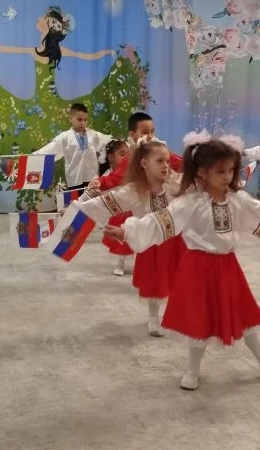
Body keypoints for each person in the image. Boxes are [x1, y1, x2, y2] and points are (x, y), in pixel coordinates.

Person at [105, 134, 260, 391]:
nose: (227, 176)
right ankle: (192, 371)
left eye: (230, 170)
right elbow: (161, 221)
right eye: (220, 171)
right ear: (202, 172)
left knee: (246, 318)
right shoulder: (190, 202)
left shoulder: (238, 200)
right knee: (199, 321)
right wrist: (127, 231)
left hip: (228, 267)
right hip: (197, 267)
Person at [78, 140, 183, 336]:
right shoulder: (134, 191)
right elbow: (105, 203)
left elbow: (198, 186)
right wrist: (77, 209)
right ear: (144, 163)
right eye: (160, 161)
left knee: (177, 280)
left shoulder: (175, 183)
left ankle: (176, 314)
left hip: (176, 242)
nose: (166, 165)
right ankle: (154, 318)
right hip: (150, 245)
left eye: (168, 161)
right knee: (154, 283)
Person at [32, 103, 112, 191]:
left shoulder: (92, 134)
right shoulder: (65, 137)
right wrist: (34, 156)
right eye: (79, 119)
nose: (83, 123)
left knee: (91, 199)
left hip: (92, 178)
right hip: (74, 180)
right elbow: (51, 149)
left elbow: (107, 140)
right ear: (71, 118)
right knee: (75, 199)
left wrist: (119, 145)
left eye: (85, 120)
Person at [97, 138, 133, 276]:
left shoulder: (132, 170)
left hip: (134, 208)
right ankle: (120, 264)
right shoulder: (107, 175)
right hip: (119, 210)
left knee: (138, 236)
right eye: (122, 154)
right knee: (120, 241)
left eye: (128, 154)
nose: (126, 158)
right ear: (111, 157)